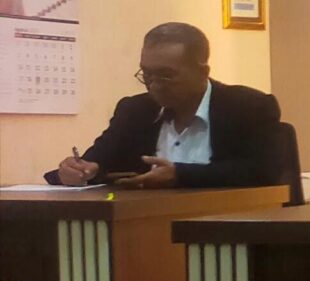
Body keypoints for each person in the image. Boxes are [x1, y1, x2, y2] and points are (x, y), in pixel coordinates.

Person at [50, 22, 283, 190]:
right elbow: (97, 162)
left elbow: (264, 172)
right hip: (147, 227)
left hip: (228, 226)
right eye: (147, 74)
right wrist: (77, 171)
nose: (154, 85)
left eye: (166, 75)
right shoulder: (134, 111)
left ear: (202, 72)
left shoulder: (248, 107)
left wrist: (180, 175)